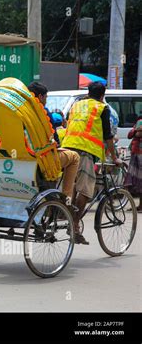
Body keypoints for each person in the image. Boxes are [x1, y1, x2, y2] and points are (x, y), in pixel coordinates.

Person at [62, 82, 122, 245]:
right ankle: (74, 224)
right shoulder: (102, 108)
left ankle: (68, 214)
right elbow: (108, 136)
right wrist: (114, 157)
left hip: (66, 147)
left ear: (89, 92)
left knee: (73, 184)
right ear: (103, 95)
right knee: (87, 190)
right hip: (84, 150)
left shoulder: (77, 104)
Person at [27, 82, 80, 202]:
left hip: (23, 156)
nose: (46, 100)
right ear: (40, 97)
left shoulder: (20, 111)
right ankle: (66, 199)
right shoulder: (43, 112)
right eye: (46, 97)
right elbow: (54, 139)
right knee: (74, 157)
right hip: (42, 157)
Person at [124, 116, 142, 211]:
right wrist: (136, 130)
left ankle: (140, 205)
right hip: (136, 153)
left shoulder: (139, 122)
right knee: (137, 180)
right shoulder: (139, 122)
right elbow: (130, 135)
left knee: (139, 180)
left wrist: (136, 131)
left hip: (139, 154)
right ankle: (139, 205)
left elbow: (137, 134)